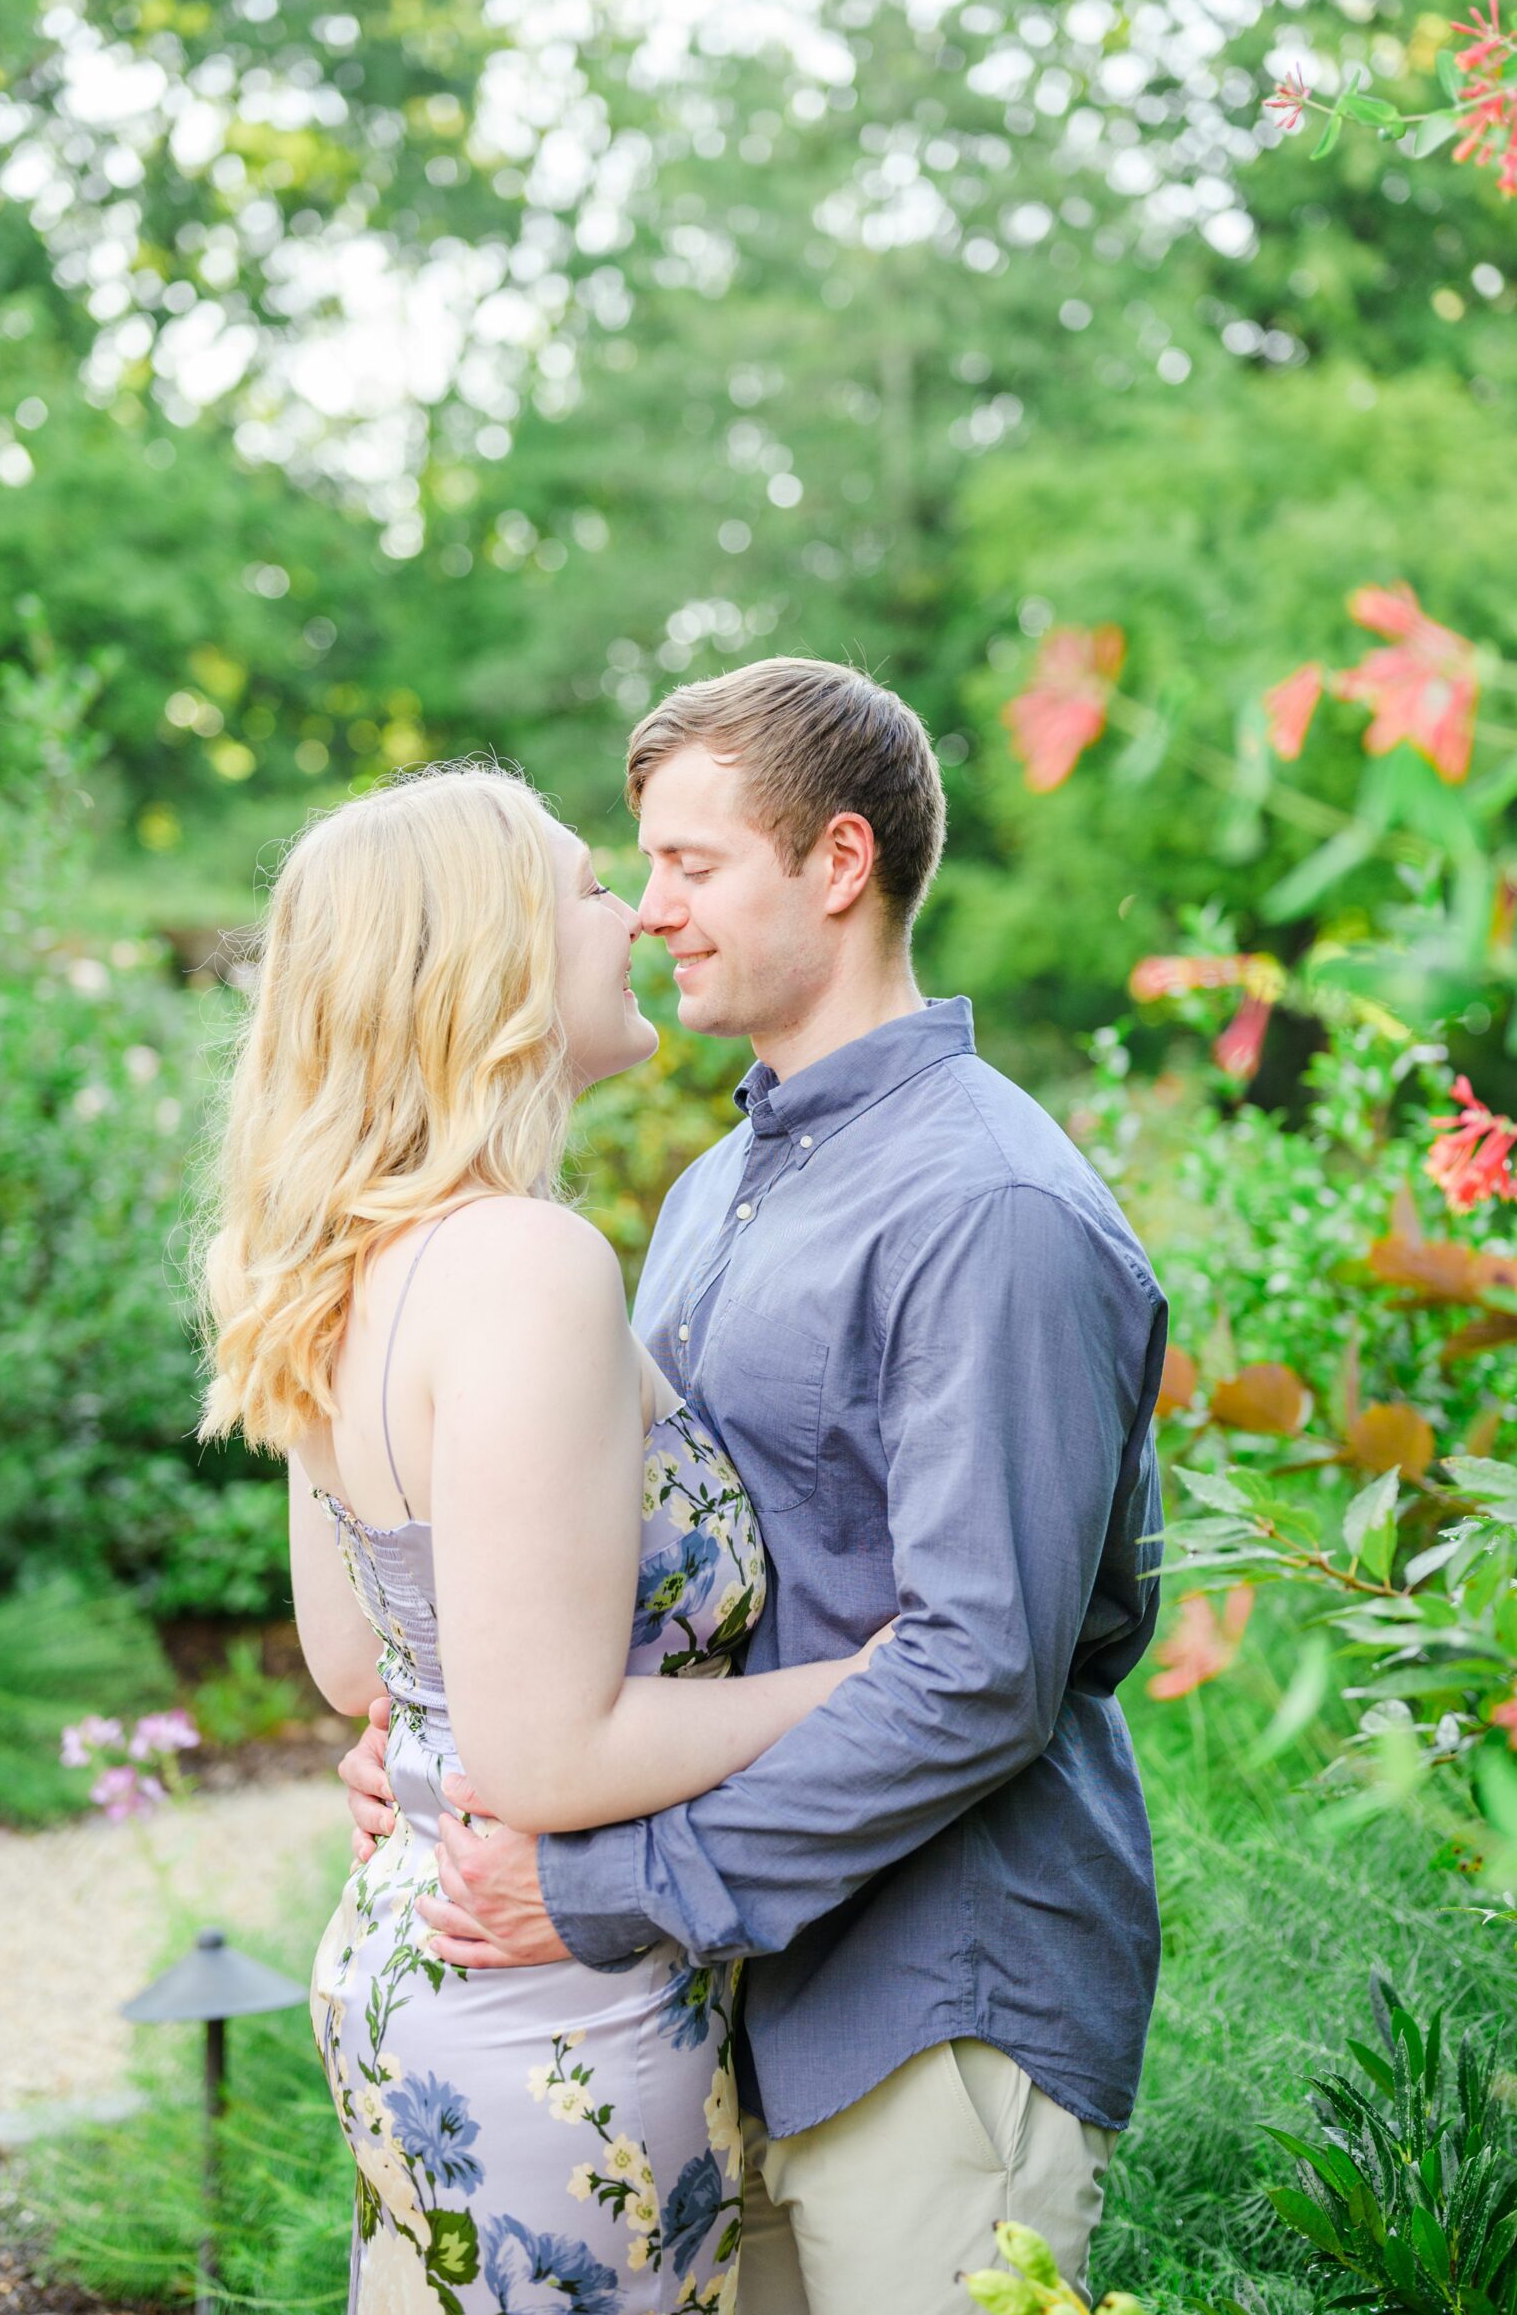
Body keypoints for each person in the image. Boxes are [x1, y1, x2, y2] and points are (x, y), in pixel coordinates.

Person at [340, 658, 1167, 2315]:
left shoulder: (987, 1207)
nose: (651, 913)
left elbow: (979, 1671)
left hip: (933, 2006)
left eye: (692, 865)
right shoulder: (722, 1184)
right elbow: (646, 1574)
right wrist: (440, 1739)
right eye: (641, 871)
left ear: (840, 864)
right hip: (727, 2004)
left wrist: (608, 1889)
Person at [198, 762, 896, 2315]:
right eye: (590, 887)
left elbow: (351, 1664)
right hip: (546, 2004)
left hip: (416, 1955)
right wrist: (868, 1680)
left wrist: (448, 1738)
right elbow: (548, 1758)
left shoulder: (346, 1255)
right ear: (487, 959)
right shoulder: (526, 1264)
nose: (636, 914)